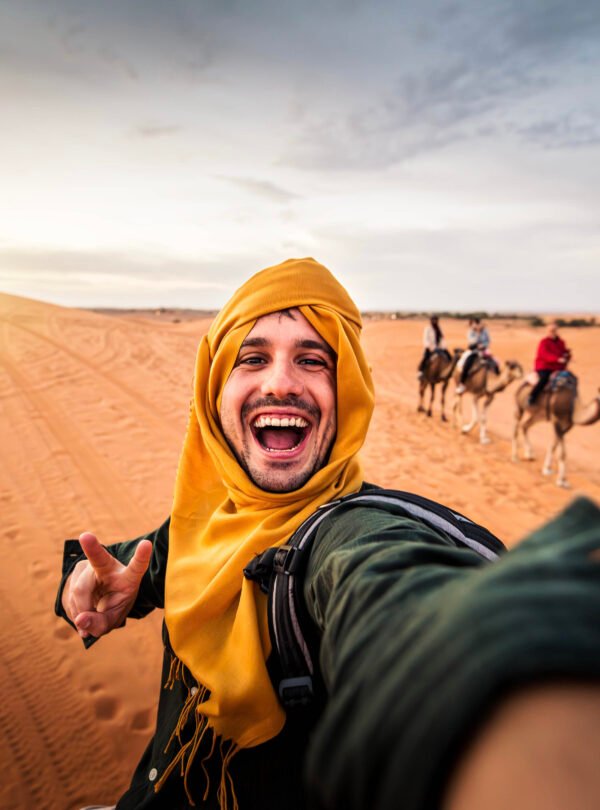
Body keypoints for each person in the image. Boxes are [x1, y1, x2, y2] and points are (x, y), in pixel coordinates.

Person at [56, 258, 600, 810]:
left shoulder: (348, 537)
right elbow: (131, 561)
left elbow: (388, 592)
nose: (281, 383)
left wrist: (510, 704)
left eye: (313, 360)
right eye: (253, 358)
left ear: (349, 391)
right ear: (214, 388)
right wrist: (89, 583)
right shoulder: (201, 526)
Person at [528, 320, 572, 406]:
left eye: (554, 330)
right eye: (550, 330)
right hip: (544, 367)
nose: (552, 332)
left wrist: (567, 355)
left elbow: (563, 352)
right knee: (544, 379)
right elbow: (544, 355)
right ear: (547, 331)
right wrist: (557, 359)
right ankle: (532, 397)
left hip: (558, 367)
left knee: (571, 378)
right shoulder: (544, 342)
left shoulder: (561, 342)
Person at [456, 318, 493, 394]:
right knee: (467, 364)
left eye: (477, 324)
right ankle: (462, 384)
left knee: (494, 362)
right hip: (473, 351)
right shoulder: (470, 332)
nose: (476, 326)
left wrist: (483, 345)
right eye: (474, 324)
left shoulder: (485, 331)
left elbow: (488, 341)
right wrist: (478, 334)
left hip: (484, 350)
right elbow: (471, 342)